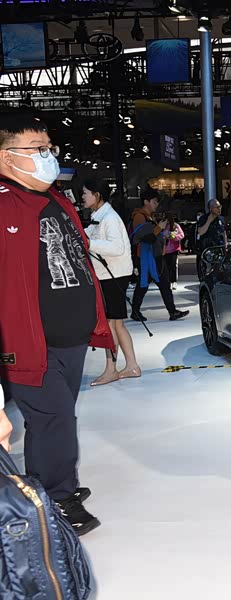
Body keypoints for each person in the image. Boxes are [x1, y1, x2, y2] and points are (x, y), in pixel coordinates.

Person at [0, 114, 113, 535]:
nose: (47, 155)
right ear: (6, 156)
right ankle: (56, 498)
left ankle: (48, 481)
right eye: (37, 148)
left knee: (51, 420)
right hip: (28, 342)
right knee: (55, 418)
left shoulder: (56, 199)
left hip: (71, 336)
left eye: (49, 147)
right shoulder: (4, 205)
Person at [83, 179, 141, 386]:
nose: (83, 197)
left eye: (86, 193)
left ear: (97, 195)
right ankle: (132, 366)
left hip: (113, 276)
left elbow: (117, 248)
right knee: (116, 324)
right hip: (111, 275)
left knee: (111, 324)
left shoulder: (109, 218)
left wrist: (89, 243)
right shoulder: (100, 216)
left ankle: (111, 370)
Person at [130, 189, 189, 322]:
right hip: (147, 257)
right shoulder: (140, 216)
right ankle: (137, 311)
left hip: (153, 256)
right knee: (145, 284)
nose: (156, 205)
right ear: (146, 202)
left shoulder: (148, 216)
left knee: (160, 284)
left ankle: (171, 311)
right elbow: (145, 237)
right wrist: (159, 228)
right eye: (154, 202)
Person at [196, 199, 227, 278]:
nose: (219, 209)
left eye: (220, 206)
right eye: (217, 207)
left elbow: (223, 232)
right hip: (208, 249)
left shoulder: (221, 219)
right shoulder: (204, 218)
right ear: (211, 209)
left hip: (219, 248)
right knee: (208, 271)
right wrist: (208, 221)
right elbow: (201, 232)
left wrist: (225, 245)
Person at [161, 212, 184, 291]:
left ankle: (173, 281)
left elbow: (181, 235)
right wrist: (164, 237)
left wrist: (173, 237)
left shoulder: (176, 226)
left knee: (173, 266)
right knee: (165, 267)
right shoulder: (162, 226)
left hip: (174, 249)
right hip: (164, 249)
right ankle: (167, 282)